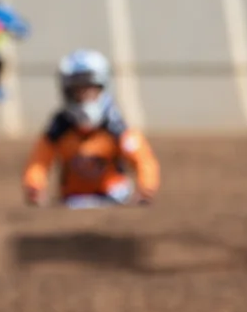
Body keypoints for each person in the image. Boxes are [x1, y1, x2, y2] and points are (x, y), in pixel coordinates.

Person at [22, 50, 159, 209]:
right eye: (77, 90)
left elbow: (142, 159)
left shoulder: (116, 125)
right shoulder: (59, 127)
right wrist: (34, 186)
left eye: (89, 89)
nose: (84, 96)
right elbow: (39, 162)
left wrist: (146, 187)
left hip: (115, 198)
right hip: (71, 201)